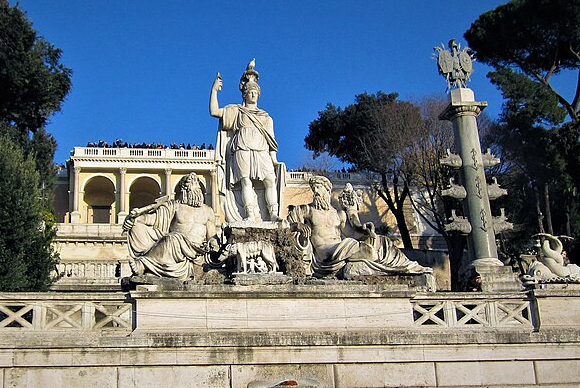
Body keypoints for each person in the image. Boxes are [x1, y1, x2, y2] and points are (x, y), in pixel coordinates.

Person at [287, 176, 427, 279]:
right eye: (314, 188)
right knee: (366, 251)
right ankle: (386, 265)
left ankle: (408, 266)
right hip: (325, 254)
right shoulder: (306, 210)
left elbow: (352, 232)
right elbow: (286, 226)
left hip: (342, 247)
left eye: (319, 187)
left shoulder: (338, 214)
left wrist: (365, 230)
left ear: (327, 190)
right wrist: (298, 225)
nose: (316, 191)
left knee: (381, 241)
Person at [210, 60, 281, 222]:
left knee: (270, 180)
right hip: (241, 147)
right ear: (245, 94)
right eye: (250, 92)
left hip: (261, 149)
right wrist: (214, 90)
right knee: (245, 181)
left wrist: (274, 159)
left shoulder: (266, 117)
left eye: (255, 92)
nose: (253, 94)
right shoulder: (237, 111)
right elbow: (214, 111)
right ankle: (249, 214)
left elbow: (272, 141)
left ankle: (273, 213)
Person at [123, 172, 219, 280]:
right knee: (171, 238)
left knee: (172, 238)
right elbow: (153, 219)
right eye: (191, 185)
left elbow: (212, 236)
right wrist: (135, 219)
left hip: (197, 252)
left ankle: (143, 264)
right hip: (174, 247)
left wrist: (213, 244)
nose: (195, 188)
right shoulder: (174, 207)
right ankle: (143, 264)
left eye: (197, 184)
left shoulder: (207, 211)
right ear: (183, 190)